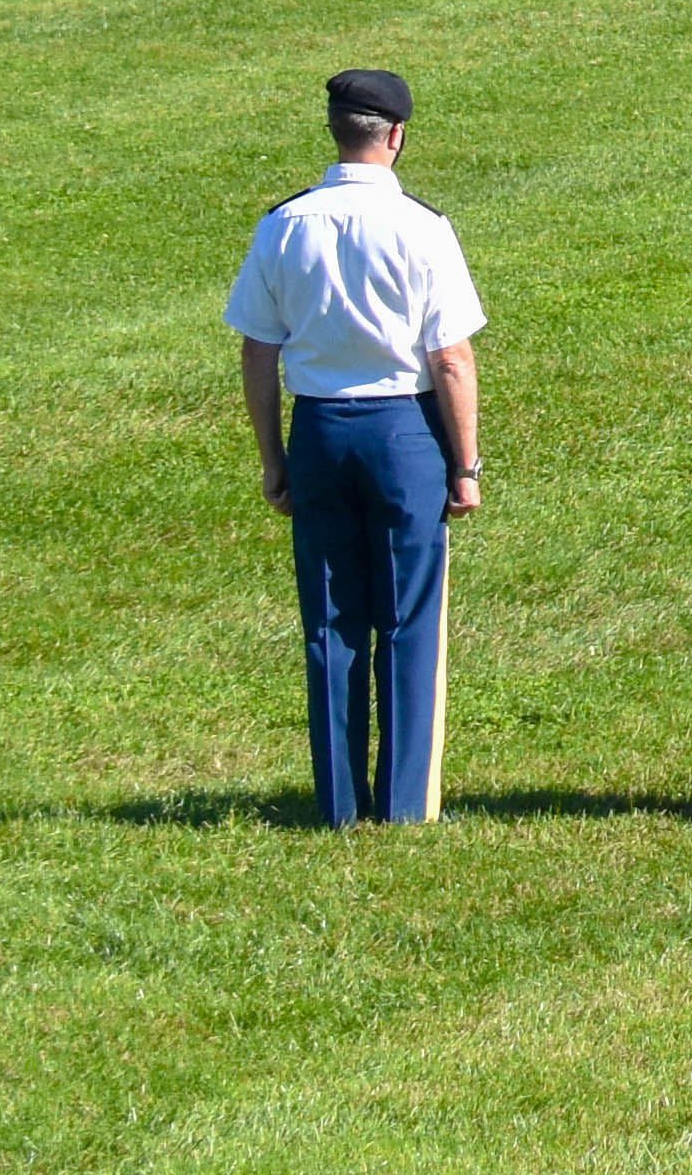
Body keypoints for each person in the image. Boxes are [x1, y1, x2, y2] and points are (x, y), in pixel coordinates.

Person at [222, 63, 486, 827]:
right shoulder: (422, 229)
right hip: (404, 431)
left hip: (321, 429)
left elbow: (257, 350)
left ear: (336, 131)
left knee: (331, 620)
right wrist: (464, 466)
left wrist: (274, 458)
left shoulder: (285, 224)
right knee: (408, 617)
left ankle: (338, 804)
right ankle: (406, 805)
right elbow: (450, 358)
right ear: (396, 137)